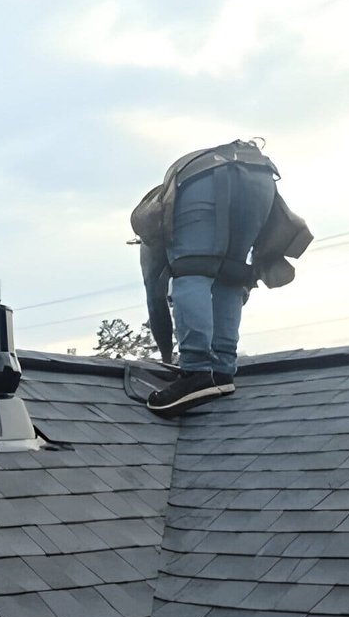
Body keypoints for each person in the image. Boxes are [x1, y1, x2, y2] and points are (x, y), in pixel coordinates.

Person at [130, 139, 310, 417]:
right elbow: (237, 282)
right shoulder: (170, 203)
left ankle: (196, 372)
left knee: (191, 271)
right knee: (232, 274)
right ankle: (222, 372)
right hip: (261, 179)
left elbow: (155, 300)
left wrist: (171, 361)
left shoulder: (154, 236)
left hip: (203, 177)